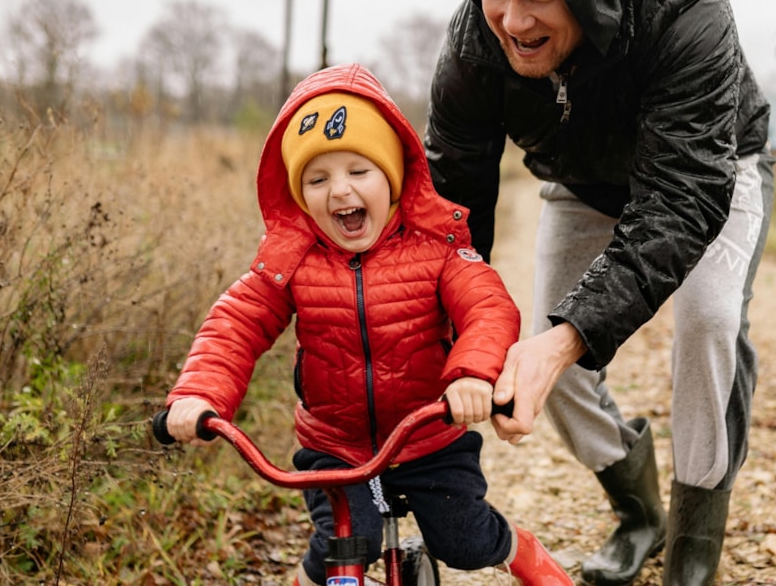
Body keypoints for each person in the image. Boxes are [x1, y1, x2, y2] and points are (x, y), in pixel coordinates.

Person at [426, 0, 774, 584]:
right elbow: (453, 212)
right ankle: (639, 513)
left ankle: (693, 552)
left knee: (708, 322)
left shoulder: (684, 4)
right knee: (546, 356)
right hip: (581, 180)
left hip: (711, 168)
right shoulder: (474, 41)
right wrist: (453, 343)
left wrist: (567, 336)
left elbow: (681, 199)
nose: (513, 22)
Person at [163, 63, 573, 585]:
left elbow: (489, 308)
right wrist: (199, 394)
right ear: (298, 193)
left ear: (392, 175)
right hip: (334, 443)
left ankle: (524, 553)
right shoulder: (290, 260)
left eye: (359, 171)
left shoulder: (437, 249)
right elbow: (234, 326)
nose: (340, 191)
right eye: (318, 178)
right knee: (339, 551)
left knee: (465, 541)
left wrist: (472, 374)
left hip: (428, 435)